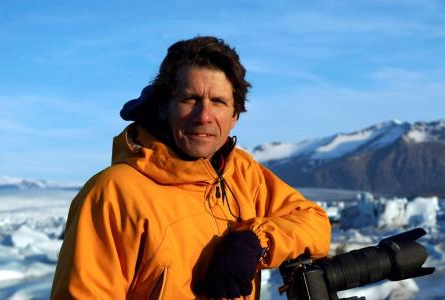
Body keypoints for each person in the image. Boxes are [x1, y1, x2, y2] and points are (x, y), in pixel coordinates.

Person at [51, 36, 331, 299]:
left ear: (234, 116)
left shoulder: (242, 173)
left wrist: (256, 241)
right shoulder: (113, 194)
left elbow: (314, 223)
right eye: (190, 99)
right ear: (164, 107)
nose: (204, 116)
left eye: (218, 102)